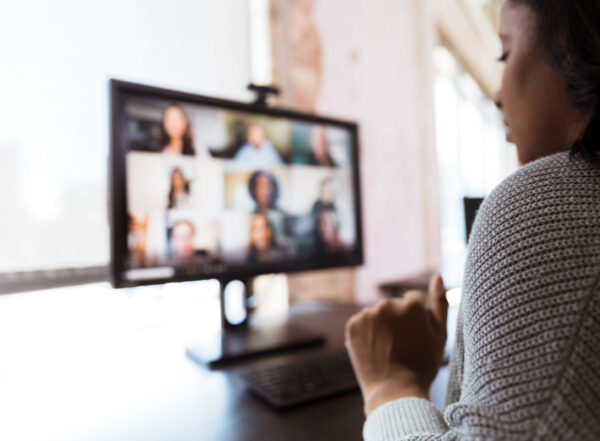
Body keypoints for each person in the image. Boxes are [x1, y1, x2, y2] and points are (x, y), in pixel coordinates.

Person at [345, 1, 600, 440]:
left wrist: (390, 384)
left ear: (569, 49)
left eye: (506, 53)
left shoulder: (544, 202)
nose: (498, 93)